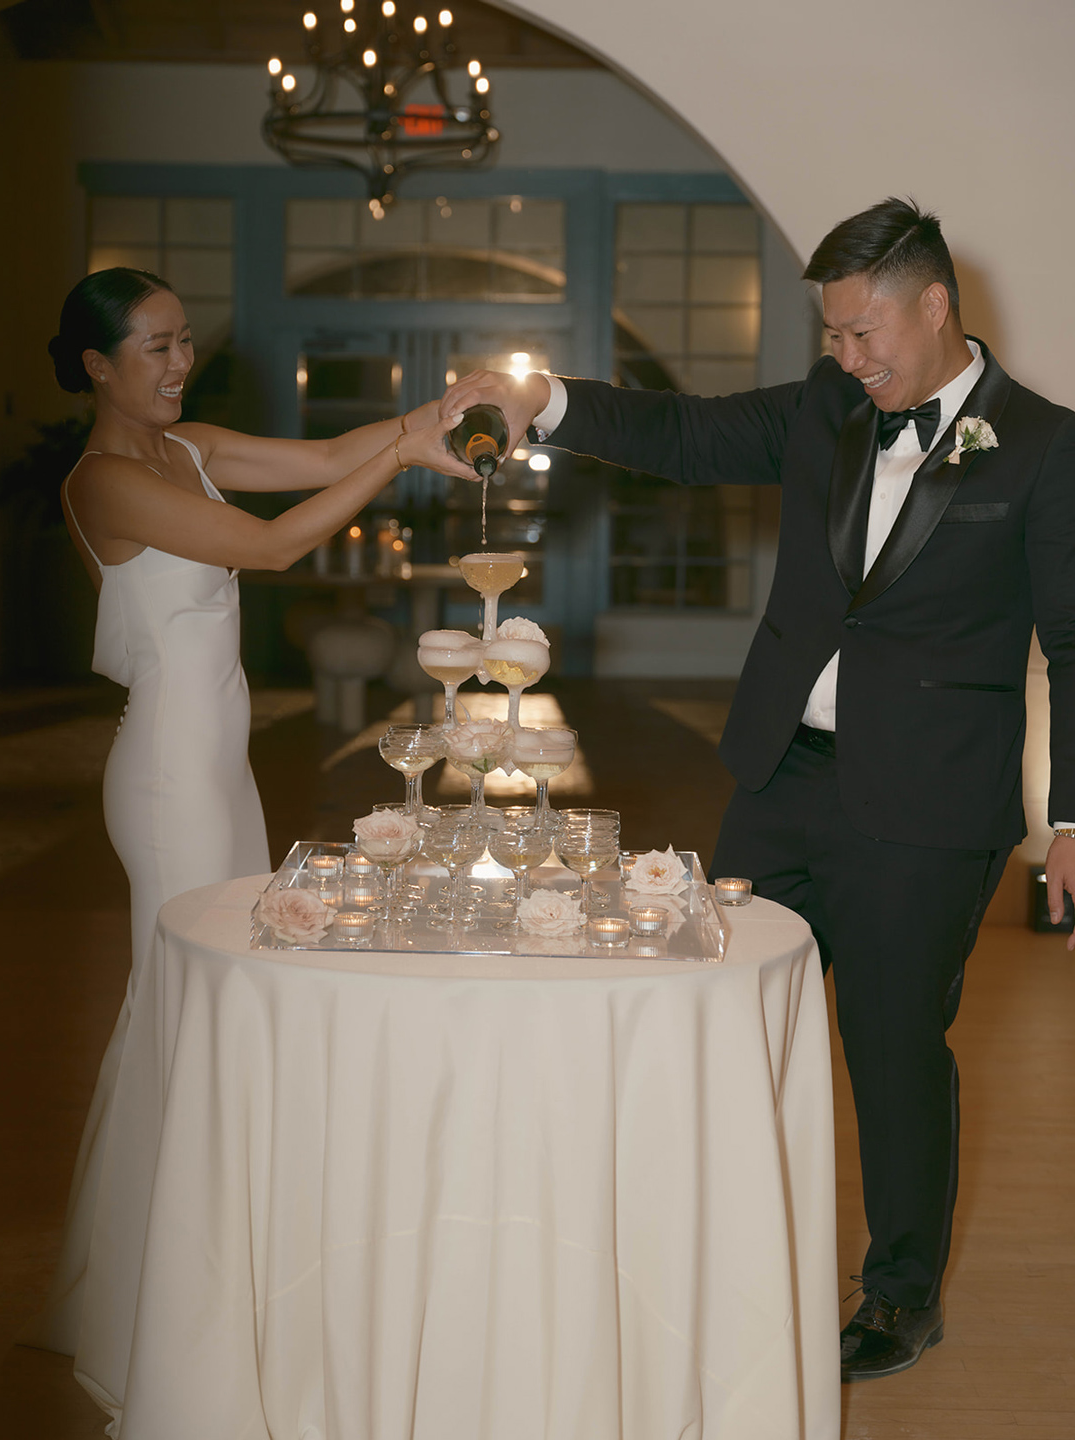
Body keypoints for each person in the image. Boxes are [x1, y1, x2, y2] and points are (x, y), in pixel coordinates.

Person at [441, 198, 1075, 1382]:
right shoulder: (829, 408)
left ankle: (900, 1297)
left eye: (863, 332)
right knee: (720, 1014)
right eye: (833, 334)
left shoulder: (1044, 444)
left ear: (935, 305)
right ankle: (712, 1254)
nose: (847, 356)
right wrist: (548, 402)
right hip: (783, 776)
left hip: (929, 808)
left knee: (891, 1047)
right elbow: (686, 434)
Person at [31, 266, 468, 1354]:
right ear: (97, 366)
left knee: (233, 993)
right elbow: (272, 546)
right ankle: (153, 1302)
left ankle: (221, 1257)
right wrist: (401, 460)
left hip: (221, 770)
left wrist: (429, 418)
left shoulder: (185, 449)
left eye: (185, 340)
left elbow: (321, 458)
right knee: (184, 1009)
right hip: (167, 778)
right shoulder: (102, 482)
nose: (182, 362)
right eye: (158, 347)